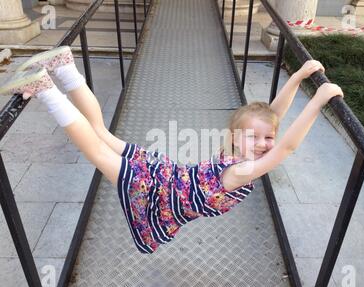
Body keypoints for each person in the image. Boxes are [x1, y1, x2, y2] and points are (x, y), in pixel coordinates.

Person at [0, 46, 343, 254]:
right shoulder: (242, 170)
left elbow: (273, 120)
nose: (265, 144)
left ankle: (64, 67)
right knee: (95, 147)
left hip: (166, 175)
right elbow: (289, 145)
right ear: (238, 137)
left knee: (101, 133)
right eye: (257, 139)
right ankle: (45, 88)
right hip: (159, 190)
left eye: (266, 139)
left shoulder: (240, 147)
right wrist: (318, 99)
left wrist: (297, 77)